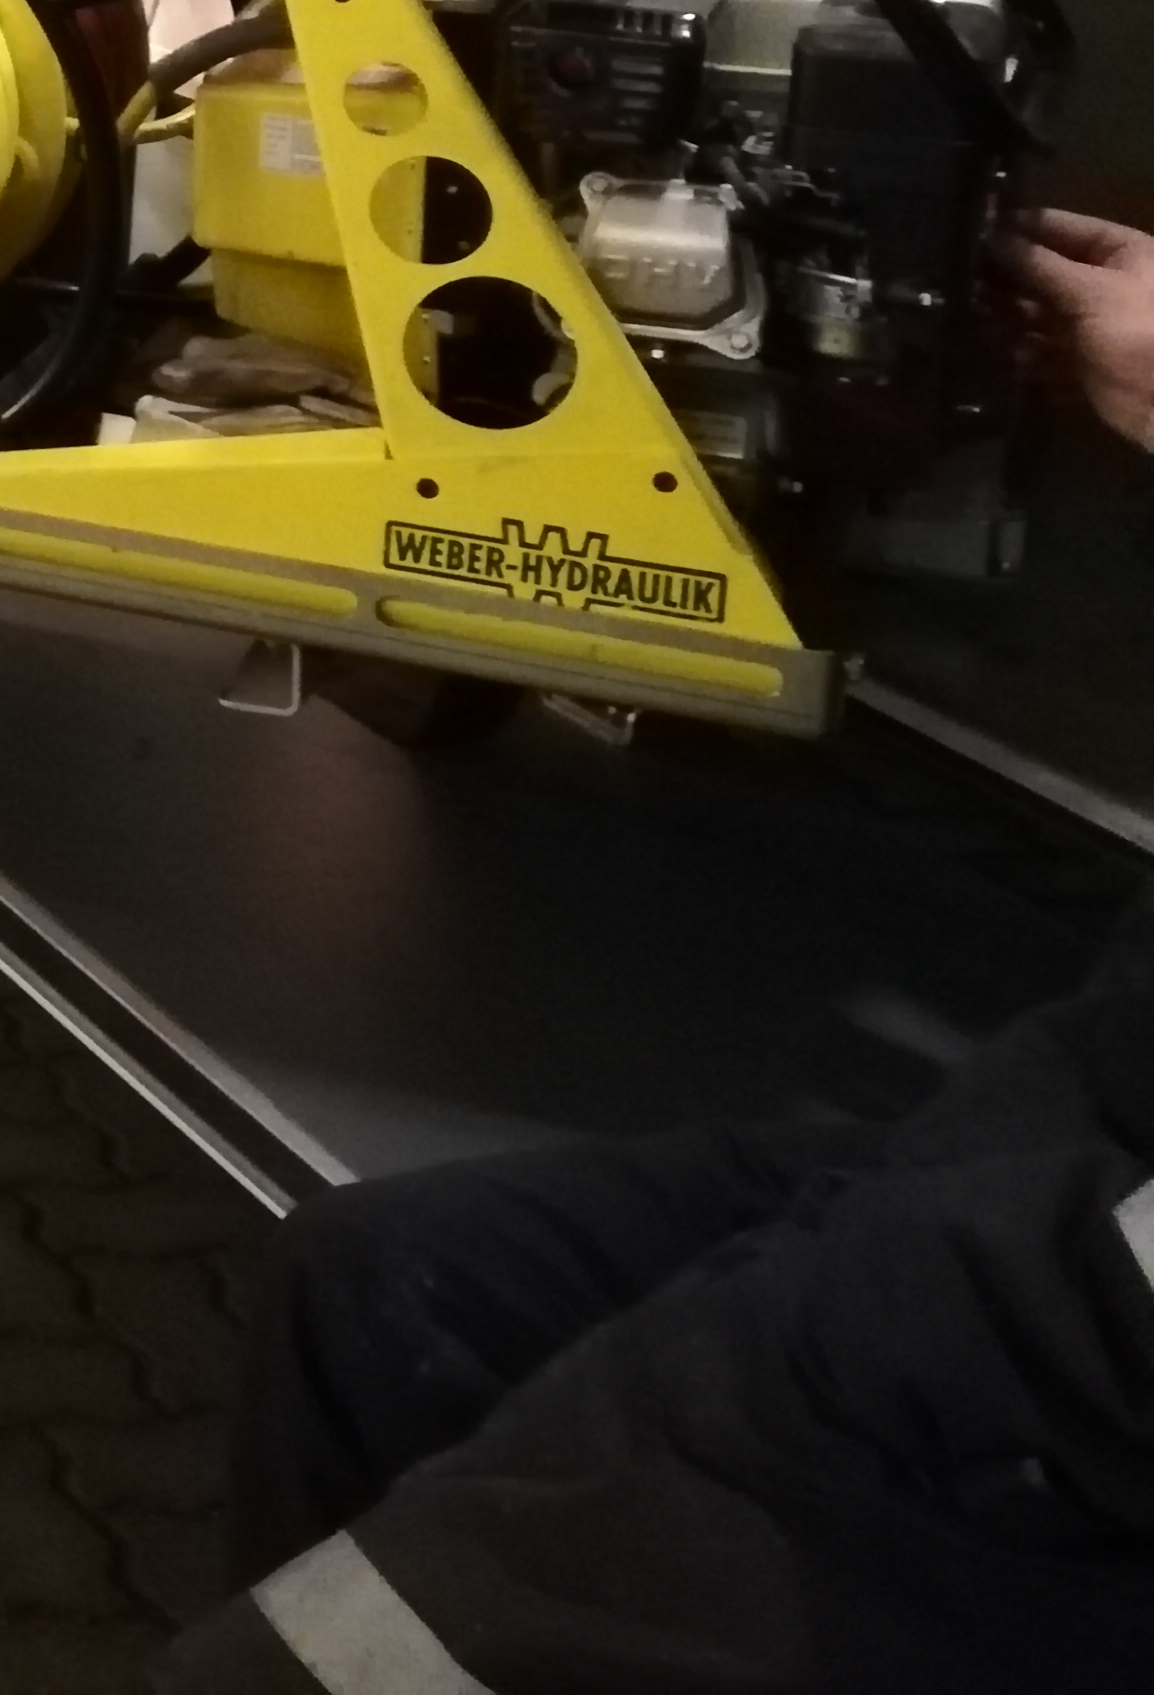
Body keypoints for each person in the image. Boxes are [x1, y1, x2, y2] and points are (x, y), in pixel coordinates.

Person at [156, 210, 1154, 1692]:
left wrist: (772, 1350)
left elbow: (1013, 1330)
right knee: (370, 1281)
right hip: (1055, 1123)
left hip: (1086, 1349)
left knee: (358, 1641)